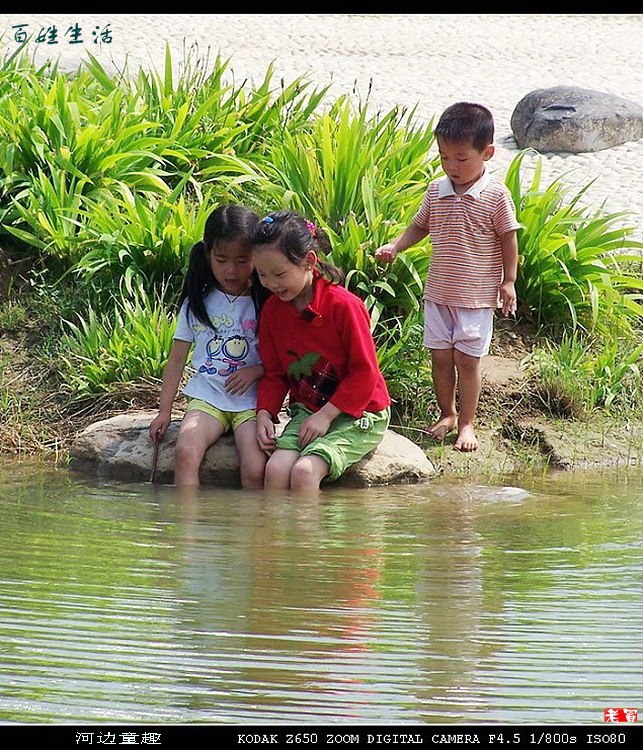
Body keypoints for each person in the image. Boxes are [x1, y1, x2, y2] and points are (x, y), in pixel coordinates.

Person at [375, 101, 521, 452]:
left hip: (475, 297)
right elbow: (419, 226)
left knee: (467, 362)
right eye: (444, 158)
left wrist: (508, 281)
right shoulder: (436, 192)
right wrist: (396, 246)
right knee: (440, 358)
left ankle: (468, 423)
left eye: (461, 159)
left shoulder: (495, 195)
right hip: (439, 292)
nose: (451, 167)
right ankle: (448, 413)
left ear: (487, 153)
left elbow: (508, 237)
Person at [250, 210, 391, 492]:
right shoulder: (272, 312)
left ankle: (307, 538)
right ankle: (271, 537)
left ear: (309, 262)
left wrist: (326, 416)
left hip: (359, 413)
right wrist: (265, 412)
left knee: (304, 471)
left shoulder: (344, 306)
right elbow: (276, 373)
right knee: (276, 469)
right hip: (308, 410)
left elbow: (365, 373)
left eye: (279, 274)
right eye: (262, 275)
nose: (271, 284)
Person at [149, 204, 271, 488]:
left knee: (255, 467)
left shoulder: (266, 300)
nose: (231, 270)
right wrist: (164, 411)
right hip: (208, 398)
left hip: (251, 402)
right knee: (186, 451)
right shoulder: (197, 302)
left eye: (242, 260)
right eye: (221, 259)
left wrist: (257, 370)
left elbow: (285, 355)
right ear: (208, 255)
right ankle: (188, 528)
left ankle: (253, 531)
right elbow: (176, 359)